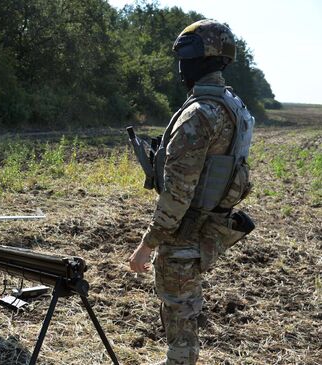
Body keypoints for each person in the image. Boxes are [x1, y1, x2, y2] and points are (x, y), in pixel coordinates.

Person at [128, 20, 255, 365]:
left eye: (184, 58)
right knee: (183, 307)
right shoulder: (235, 108)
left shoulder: (199, 115)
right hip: (206, 226)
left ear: (199, 60)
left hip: (184, 231)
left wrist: (147, 244)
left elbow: (178, 195)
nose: (180, 67)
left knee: (179, 308)